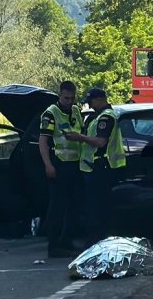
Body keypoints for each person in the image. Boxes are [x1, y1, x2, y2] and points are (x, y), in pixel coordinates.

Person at [69, 87, 127, 245]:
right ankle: (96, 238)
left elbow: (101, 142)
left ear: (99, 99)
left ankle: (97, 240)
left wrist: (79, 137)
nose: (90, 105)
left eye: (91, 102)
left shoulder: (106, 117)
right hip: (92, 167)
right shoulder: (97, 116)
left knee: (97, 207)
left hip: (101, 167)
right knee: (94, 206)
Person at [39, 80, 84, 258]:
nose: (69, 101)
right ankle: (54, 245)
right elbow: (43, 141)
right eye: (66, 98)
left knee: (74, 206)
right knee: (57, 207)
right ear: (60, 95)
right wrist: (48, 165)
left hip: (76, 164)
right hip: (59, 164)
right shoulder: (51, 114)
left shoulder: (76, 111)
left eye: (72, 98)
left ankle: (67, 241)